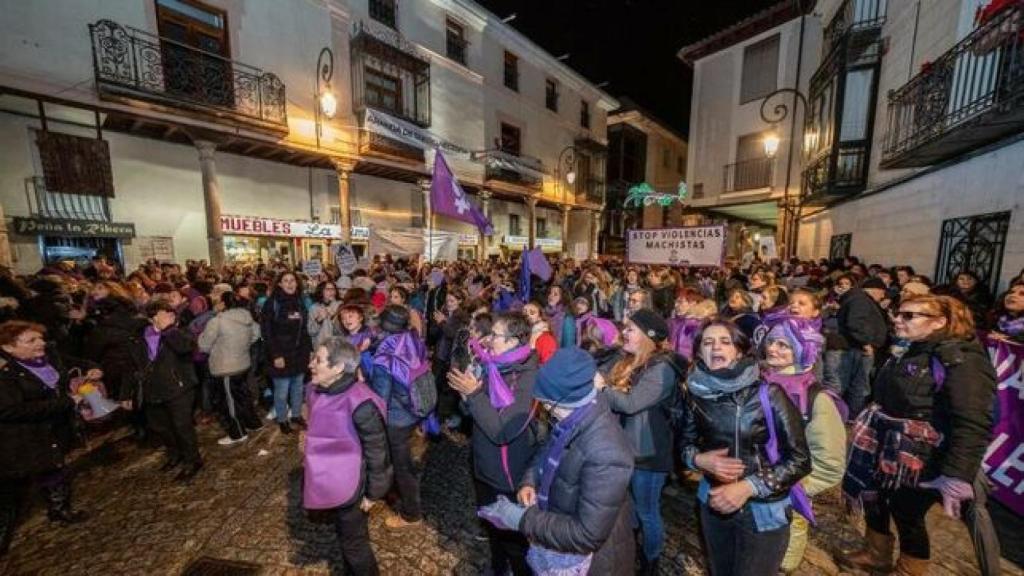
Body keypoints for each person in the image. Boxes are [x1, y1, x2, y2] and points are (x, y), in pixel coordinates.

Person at [842, 295, 998, 576]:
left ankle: (910, 568)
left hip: (921, 455)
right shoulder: (908, 348)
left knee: (906, 512)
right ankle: (876, 553)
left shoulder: (962, 360)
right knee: (876, 498)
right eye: (897, 314)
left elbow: (972, 422)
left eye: (909, 316)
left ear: (939, 322)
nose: (897, 320)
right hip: (884, 444)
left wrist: (957, 474)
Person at [478, 347, 636, 574]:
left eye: (544, 403)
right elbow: (548, 449)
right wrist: (530, 480)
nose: (543, 408)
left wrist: (523, 520)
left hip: (587, 563)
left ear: (561, 400)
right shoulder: (576, 416)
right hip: (554, 527)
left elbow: (586, 536)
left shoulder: (608, 453)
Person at [680, 320, 811, 576]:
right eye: (707, 342)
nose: (715, 347)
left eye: (725, 341)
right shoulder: (694, 394)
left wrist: (748, 486)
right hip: (714, 502)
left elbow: (800, 459)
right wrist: (698, 460)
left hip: (763, 511)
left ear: (739, 351)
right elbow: (684, 444)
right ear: (699, 353)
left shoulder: (768, 393)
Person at [448, 311, 539, 576]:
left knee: (513, 541)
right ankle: (498, 568)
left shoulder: (526, 377)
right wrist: (467, 396)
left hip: (507, 474)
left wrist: (474, 394)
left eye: (495, 336)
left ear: (513, 342)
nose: (488, 341)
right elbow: (473, 416)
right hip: (484, 466)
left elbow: (502, 432)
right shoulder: (492, 364)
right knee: (493, 528)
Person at [599, 309, 685, 574]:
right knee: (631, 507)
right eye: (624, 328)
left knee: (648, 512)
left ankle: (651, 562)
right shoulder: (630, 360)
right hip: (628, 447)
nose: (623, 332)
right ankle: (633, 550)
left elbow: (632, 404)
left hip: (649, 454)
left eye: (630, 329)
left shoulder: (661, 369)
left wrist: (602, 388)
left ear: (648, 337)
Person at [0, 321, 98, 554]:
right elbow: (8, 410)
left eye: (40, 338)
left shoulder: (49, 355)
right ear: (9, 347)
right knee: (12, 488)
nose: (40, 343)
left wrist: (92, 367)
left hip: (52, 429)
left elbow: (72, 363)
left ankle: (59, 509)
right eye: (31, 341)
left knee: (55, 467)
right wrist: (64, 403)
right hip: (22, 436)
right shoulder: (6, 373)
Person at [760, 319, 847, 573]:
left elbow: (830, 462)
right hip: (756, 487)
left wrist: (798, 488)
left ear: (803, 351)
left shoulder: (816, 399)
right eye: (771, 342)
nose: (772, 349)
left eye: (783, 345)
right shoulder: (759, 382)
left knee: (782, 556)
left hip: (787, 493)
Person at [303, 337, 391, 576]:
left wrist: (374, 493)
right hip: (331, 478)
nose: (311, 364)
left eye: (318, 360)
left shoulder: (361, 402)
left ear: (339, 368)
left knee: (354, 544)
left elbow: (377, 450)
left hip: (352, 485)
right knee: (345, 536)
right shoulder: (317, 389)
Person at [370, 305, 428, 529]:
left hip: (396, 418)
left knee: (401, 465)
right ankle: (397, 491)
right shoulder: (413, 340)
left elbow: (381, 397)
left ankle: (411, 514)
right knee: (402, 460)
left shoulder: (385, 355)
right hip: (414, 409)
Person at [138, 300, 203, 481]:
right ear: (153, 317)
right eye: (165, 313)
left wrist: (168, 330)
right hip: (154, 388)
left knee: (182, 426)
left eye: (171, 313)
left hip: (178, 387)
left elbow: (186, 347)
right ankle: (175, 454)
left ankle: (193, 460)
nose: (170, 316)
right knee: (162, 427)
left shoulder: (179, 332)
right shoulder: (141, 335)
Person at [198, 291, 263, 446]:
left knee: (229, 402)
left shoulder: (217, 321)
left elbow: (203, 345)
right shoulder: (247, 317)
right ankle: (254, 423)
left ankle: (238, 433)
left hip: (224, 366)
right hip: (243, 362)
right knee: (242, 395)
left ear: (222, 303)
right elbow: (256, 334)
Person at [824, 276, 889, 418]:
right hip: (858, 349)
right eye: (882, 292)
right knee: (856, 386)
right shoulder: (861, 301)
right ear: (876, 290)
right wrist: (865, 343)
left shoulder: (855, 299)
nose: (883, 296)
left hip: (853, 347)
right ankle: (850, 417)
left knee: (847, 384)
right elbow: (855, 323)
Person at [261, 271, 312, 434]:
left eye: (292, 280)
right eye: (286, 281)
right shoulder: (272, 303)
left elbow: (304, 330)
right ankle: (282, 419)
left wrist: (309, 351)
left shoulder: (300, 302)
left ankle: (296, 415)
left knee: (298, 388)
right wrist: (276, 355)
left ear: (297, 283)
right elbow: (267, 332)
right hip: (280, 355)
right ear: (280, 284)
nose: (290, 283)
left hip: (299, 355)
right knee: (282, 391)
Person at [669, 288, 717, 362]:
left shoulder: (693, 324)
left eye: (680, 302)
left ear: (693, 303)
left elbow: (685, 349)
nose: (676, 305)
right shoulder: (676, 320)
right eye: (675, 302)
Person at [308, 280, 342, 346]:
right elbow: (311, 332)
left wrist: (334, 317)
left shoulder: (340, 305)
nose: (331, 292)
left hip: (337, 347)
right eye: (328, 289)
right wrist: (319, 320)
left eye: (333, 289)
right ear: (321, 291)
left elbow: (343, 331)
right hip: (320, 347)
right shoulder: (314, 308)